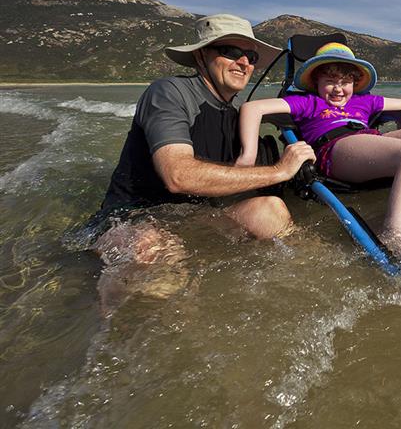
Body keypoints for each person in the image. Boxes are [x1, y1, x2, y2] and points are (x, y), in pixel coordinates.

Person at [84, 14, 317, 274]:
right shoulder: (169, 92)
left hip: (196, 216)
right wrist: (279, 170)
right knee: (153, 249)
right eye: (230, 52)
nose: (243, 63)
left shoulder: (240, 113)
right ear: (201, 56)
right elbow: (178, 176)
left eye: (251, 58)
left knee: (270, 211)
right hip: (135, 217)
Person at [237, 42, 401, 251]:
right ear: (316, 82)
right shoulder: (308, 101)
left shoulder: (364, 101)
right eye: (330, 81)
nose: (338, 89)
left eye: (345, 82)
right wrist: (248, 156)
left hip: (368, 143)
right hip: (335, 149)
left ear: (355, 82)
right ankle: (395, 238)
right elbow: (251, 108)